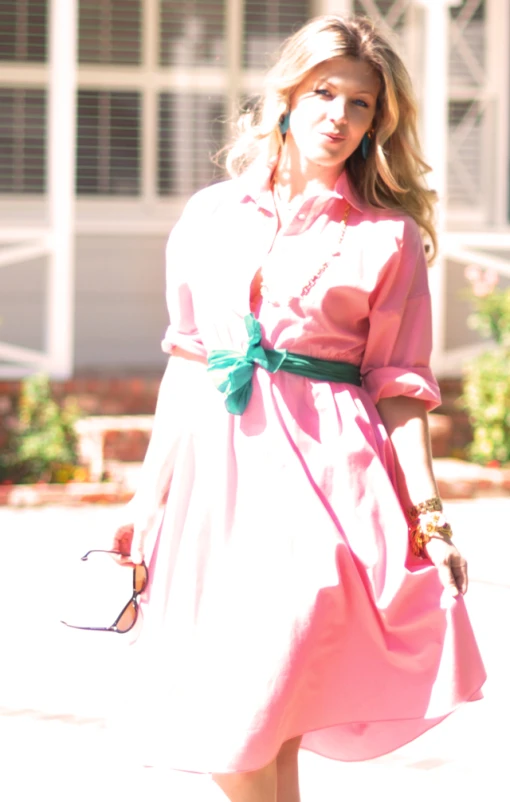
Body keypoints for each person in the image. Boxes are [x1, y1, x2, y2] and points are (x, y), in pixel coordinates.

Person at [111, 15, 486, 802]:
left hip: (326, 477)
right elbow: (187, 359)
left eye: (360, 104)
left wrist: (430, 516)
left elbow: (401, 385)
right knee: (249, 717)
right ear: (286, 96)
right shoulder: (211, 215)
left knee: (258, 692)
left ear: (377, 123)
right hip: (218, 481)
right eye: (324, 93)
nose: (339, 117)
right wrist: (146, 503)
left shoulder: (388, 238)